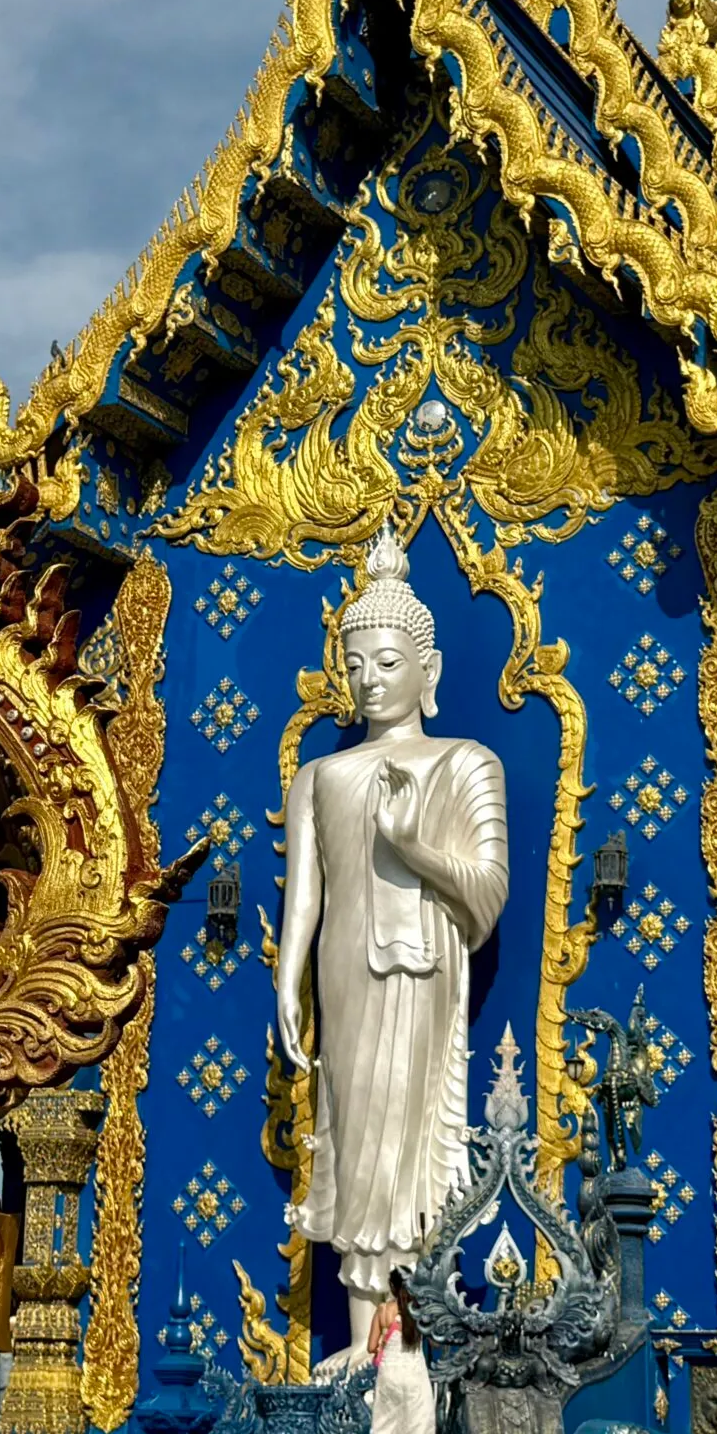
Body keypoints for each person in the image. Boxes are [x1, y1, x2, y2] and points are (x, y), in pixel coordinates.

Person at [276, 528, 509, 1357]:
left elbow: (486, 896)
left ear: (429, 672)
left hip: (420, 974)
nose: (371, 680)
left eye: (388, 662)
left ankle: (404, 1359)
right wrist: (286, 986)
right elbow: (306, 897)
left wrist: (412, 848)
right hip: (345, 979)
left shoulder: (467, 765)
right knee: (352, 1152)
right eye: (358, 665)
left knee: (408, 1168)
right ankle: (360, 1359)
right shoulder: (321, 778)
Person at [367, 1271, 435, 1434]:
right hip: (415, 1373)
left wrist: (383, 1343)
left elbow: (371, 1347)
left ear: (392, 1286)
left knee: (384, 1426)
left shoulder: (383, 1310)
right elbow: (435, 1343)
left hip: (389, 1373)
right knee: (418, 1425)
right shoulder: (420, 1312)